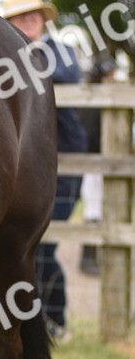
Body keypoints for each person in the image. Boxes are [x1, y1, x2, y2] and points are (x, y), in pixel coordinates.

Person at [1, 0, 88, 341]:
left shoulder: (59, 52)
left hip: (63, 162)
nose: (29, 20)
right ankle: (28, 321)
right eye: (20, 16)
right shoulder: (3, 58)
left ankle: (56, 320)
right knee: (23, 246)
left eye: (33, 15)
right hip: (24, 165)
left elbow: (67, 74)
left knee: (46, 245)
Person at [78, 54, 117, 274]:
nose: (112, 77)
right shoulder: (95, 100)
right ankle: (88, 258)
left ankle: (92, 256)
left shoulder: (98, 97)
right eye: (109, 73)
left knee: (98, 207)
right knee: (94, 208)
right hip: (93, 162)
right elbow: (91, 134)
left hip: (97, 162)